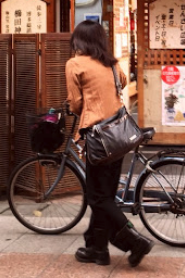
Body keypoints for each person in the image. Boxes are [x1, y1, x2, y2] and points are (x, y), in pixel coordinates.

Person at [66, 20, 154, 268]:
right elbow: (123, 82)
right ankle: (97, 249)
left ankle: (135, 241)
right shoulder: (112, 63)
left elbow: (74, 104)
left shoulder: (75, 64)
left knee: (97, 198)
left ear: (79, 41)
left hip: (97, 138)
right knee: (105, 195)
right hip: (119, 135)